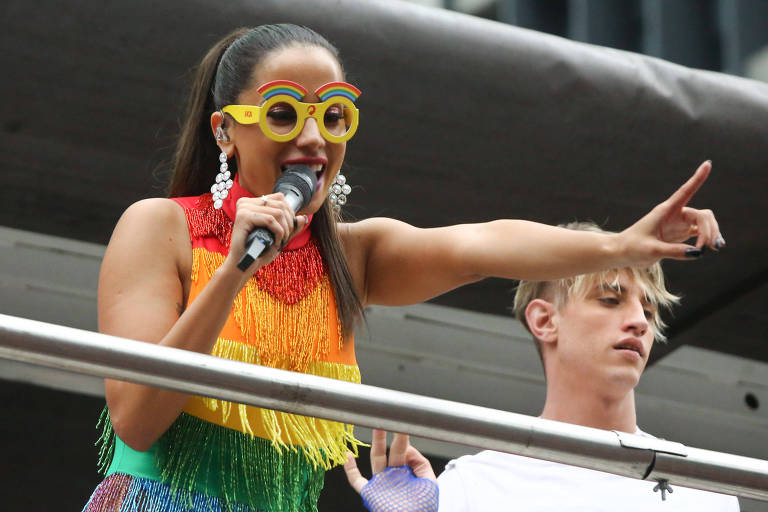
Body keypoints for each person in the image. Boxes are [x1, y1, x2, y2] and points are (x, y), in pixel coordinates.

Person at [81, 23, 725, 512]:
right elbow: (137, 416)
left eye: (334, 115)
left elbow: (482, 245)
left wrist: (623, 248)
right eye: (284, 113)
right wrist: (233, 274)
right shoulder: (161, 226)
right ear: (226, 131)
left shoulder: (355, 255)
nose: (313, 138)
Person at [344, 223, 738, 511]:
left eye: (649, 310)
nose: (639, 320)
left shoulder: (703, 486)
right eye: (611, 300)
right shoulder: (473, 483)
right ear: (545, 320)